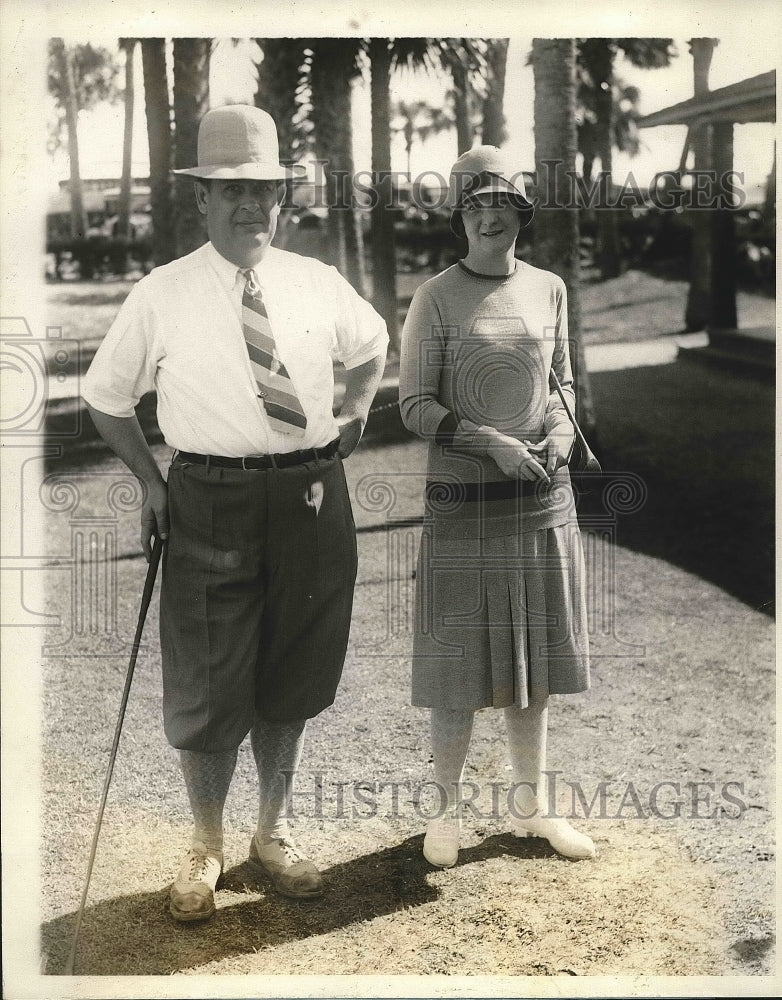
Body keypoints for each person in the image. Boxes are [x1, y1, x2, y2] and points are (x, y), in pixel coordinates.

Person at [82, 104, 388, 920]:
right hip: (209, 497)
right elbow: (106, 398)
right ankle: (205, 844)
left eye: (265, 190)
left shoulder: (315, 281)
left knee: (296, 667)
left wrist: (355, 412)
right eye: (231, 190)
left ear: (281, 197)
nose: (251, 205)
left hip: (312, 496)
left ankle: (273, 832)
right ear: (202, 199)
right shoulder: (163, 292)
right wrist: (153, 484)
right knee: (210, 678)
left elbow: (371, 345)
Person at [399, 146, 594, 867]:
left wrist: (562, 430)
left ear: (521, 214)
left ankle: (531, 807)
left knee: (533, 662)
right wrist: (490, 443)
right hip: (465, 506)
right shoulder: (434, 297)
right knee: (458, 670)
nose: (491, 218)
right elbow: (414, 405)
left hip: (541, 504)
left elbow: (563, 384)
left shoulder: (549, 288)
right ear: (460, 217)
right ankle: (445, 814)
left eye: (503, 205)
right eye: (477, 206)